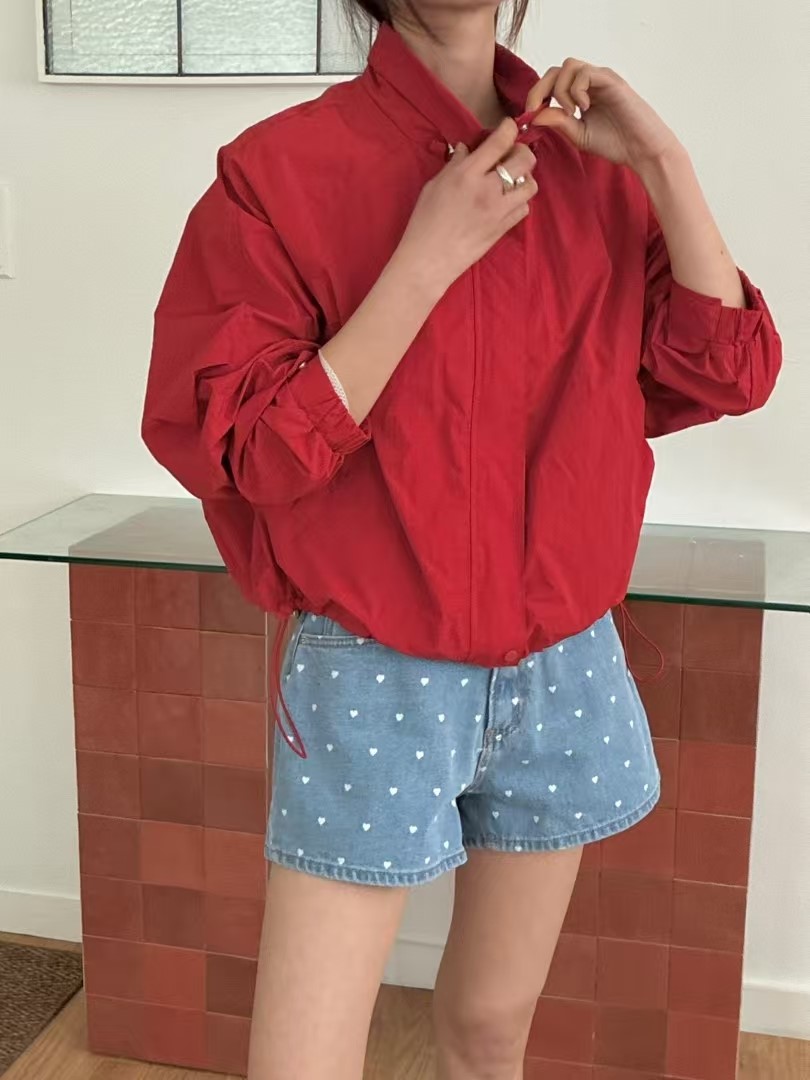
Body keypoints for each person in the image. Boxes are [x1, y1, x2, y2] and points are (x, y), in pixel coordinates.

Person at [142, 1, 782, 1077]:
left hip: (565, 662)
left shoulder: (595, 169)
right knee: (302, 1064)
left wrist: (663, 162)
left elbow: (725, 369)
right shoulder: (277, 173)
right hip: (374, 667)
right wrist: (425, 256)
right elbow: (250, 451)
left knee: (491, 1031)